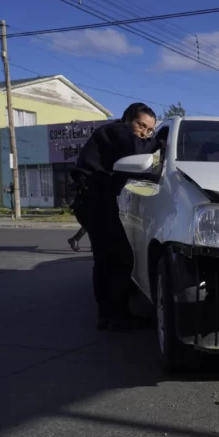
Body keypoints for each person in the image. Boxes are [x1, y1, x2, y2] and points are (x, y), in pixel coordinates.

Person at [71, 103, 159, 331]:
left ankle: (107, 315)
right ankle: (116, 315)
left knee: (105, 259)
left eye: (150, 130)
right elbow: (139, 152)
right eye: (142, 125)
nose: (144, 133)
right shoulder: (115, 131)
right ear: (127, 119)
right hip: (94, 201)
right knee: (121, 258)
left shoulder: (115, 136)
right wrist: (161, 142)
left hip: (94, 201)